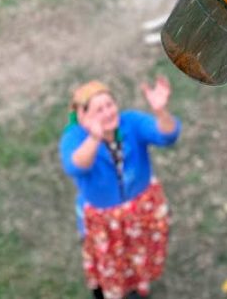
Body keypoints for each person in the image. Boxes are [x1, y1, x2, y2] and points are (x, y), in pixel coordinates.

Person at [60, 76, 181, 299]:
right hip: (105, 222)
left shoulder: (131, 123)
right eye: (98, 110)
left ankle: (136, 286)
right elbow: (75, 166)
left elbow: (168, 136)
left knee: (138, 254)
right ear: (82, 117)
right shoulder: (75, 137)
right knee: (109, 263)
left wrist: (161, 112)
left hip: (141, 211)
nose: (108, 113)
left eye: (110, 105)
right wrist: (95, 138)